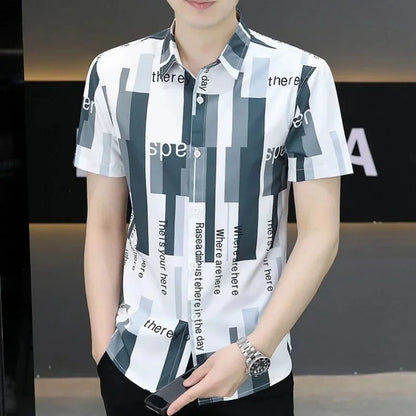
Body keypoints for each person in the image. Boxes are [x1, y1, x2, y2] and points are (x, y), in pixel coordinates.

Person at [73, 1, 353, 415]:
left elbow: (320, 234)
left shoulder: (302, 77)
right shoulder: (112, 73)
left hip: (253, 374)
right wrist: (103, 350)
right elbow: (103, 224)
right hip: (135, 365)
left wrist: (254, 350)